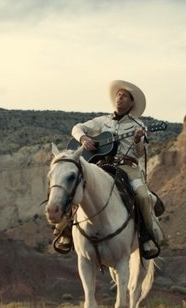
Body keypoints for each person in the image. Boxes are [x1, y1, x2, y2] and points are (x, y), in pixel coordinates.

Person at [52, 79, 163, 258]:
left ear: (132, 102)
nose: (120, 98)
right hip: (101, 166)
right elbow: (77, 128)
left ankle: (147, 238)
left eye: (124, 96)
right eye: (118, 95)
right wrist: (83, 139)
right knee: (78, 187)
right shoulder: (101, 121)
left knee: (142, 195)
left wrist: (137, 141)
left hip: (127, 166)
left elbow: (140, 153)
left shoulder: (138, 125)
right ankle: (64, 232)